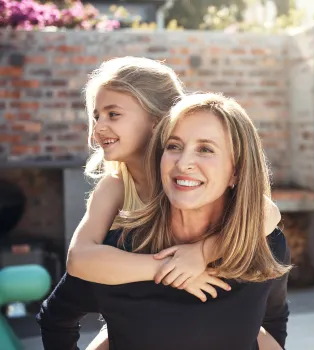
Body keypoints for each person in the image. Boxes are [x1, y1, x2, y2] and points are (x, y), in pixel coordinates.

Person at [37, 57, 285, 349]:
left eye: (113, 114)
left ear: (157, 122)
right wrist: (170, 268)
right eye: (96, 116)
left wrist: (201, 253)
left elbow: (266, 213)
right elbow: (79, 261)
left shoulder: (185, 175)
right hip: (134, 297)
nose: (98, 128)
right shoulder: (117, 186)